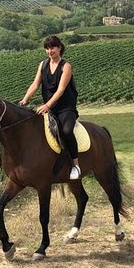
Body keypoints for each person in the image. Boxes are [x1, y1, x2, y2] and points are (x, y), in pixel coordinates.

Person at [19, 35, 81, 179]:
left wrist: (47, 105)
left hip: (65, 108)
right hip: (50, 108)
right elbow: (35, 84)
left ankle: (75, 165)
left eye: (52, 47)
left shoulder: (66, 66)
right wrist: (24, 100)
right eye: (47, 48)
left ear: (59, 48)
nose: (49, 51)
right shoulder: (43, 65)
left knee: (66, 131)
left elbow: (61, 90)